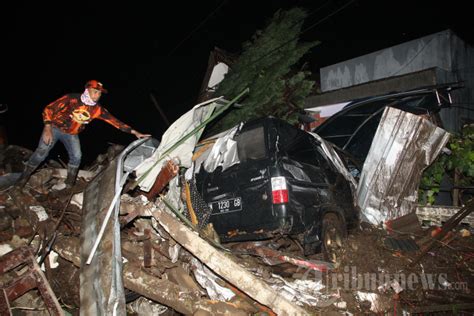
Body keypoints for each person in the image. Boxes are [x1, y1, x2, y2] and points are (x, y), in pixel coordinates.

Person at [16, 80, 151, 188]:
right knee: (41, 153)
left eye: (99, 93)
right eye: (95, 92)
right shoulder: (71, 99)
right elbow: (49, 109)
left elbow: (115, 122)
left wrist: (134, 132)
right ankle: (23, 178)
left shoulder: (97, 109)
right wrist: (47, 127)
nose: (97, 95)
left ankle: (69, 185)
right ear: (87, 90)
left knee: (77, 156)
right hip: (55, 128)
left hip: (71, 134)